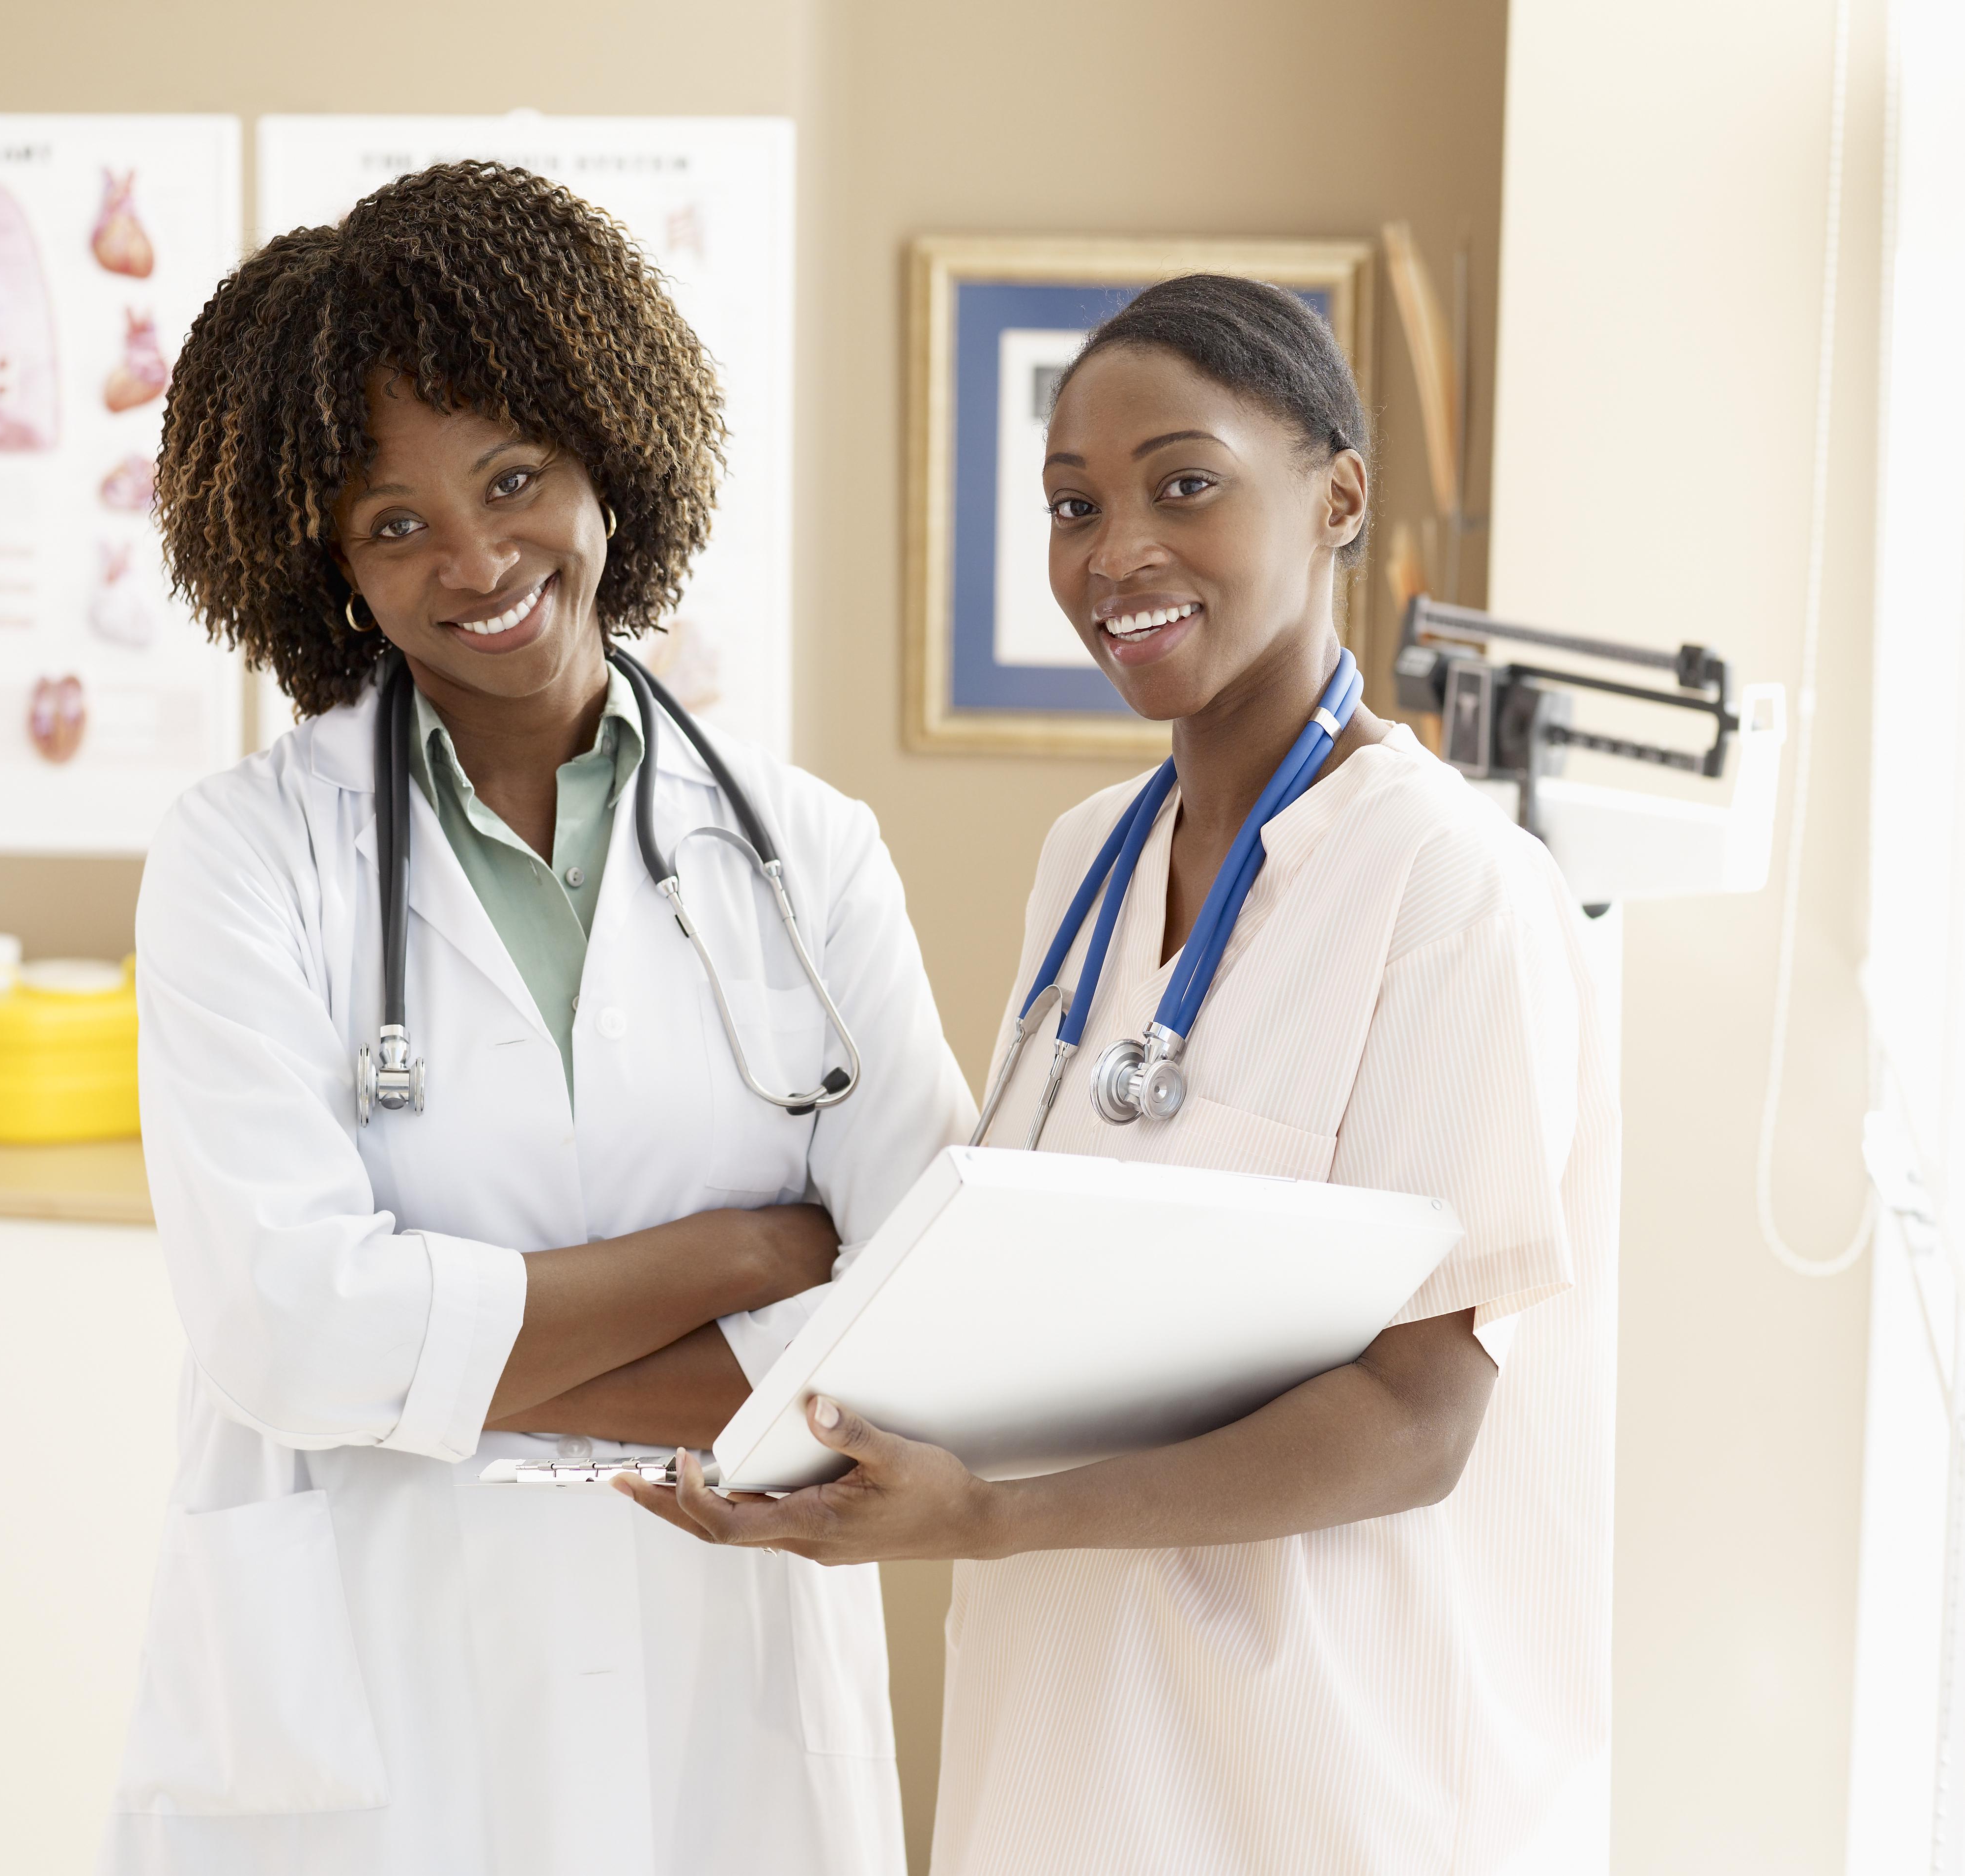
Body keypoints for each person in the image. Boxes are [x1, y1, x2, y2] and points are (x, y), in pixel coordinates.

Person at [619, 274, 1620, 1875]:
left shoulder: (1453, 893)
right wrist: (798, 1458)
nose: (1115, 551)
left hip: (1332, 1771)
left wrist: (988, 1514)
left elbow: (1420, 1419)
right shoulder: (1088, 858)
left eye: (1185, 483)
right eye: (1072, 504)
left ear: (1338, 493)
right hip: (1074, 1744)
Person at [105, 162, 972, 1876]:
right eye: (394, 520)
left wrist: (443, 1367)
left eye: (513, 477)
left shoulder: (806, 854)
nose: (478, 559)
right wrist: (744, 1252)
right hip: (377, 1696)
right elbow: (283, 1334)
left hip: (719, 1689)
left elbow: (926, 1314)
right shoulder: (241, 859)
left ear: (606, 455)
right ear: (319, 557)